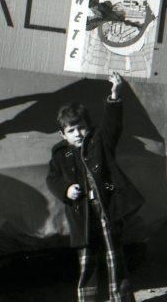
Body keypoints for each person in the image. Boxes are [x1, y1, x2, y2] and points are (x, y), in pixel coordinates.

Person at [46, 72, 144, 302]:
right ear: (63, 134)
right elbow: (53, 178)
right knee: (87, 260)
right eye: (71, 130)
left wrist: (115, 96)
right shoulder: (60, 154)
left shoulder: (100, 141)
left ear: (88, 127)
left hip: (106, 208)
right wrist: (66, 190)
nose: (77, 134)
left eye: (80, 127)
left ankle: (121, 298)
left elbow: (113, 124)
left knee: (114, 257)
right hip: (82, 213)